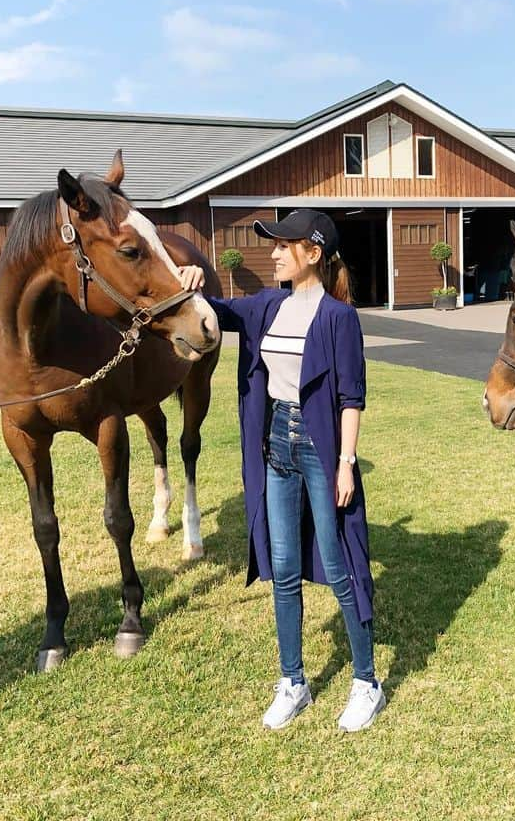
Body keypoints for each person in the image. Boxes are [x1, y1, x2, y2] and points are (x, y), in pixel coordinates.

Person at [185, 209, 383, 732]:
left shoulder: (340, 318)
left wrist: (345, 463)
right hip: (277, 446)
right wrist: (191, 283)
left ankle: (367, 681)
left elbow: (350, 399)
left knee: (341, 566)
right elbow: (218, 313)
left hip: (322, 451)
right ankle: (293, 680)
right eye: (272, 245)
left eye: (282, 245)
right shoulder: (269, 306)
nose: (271, 253)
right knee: (283, 567)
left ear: (312, 253)